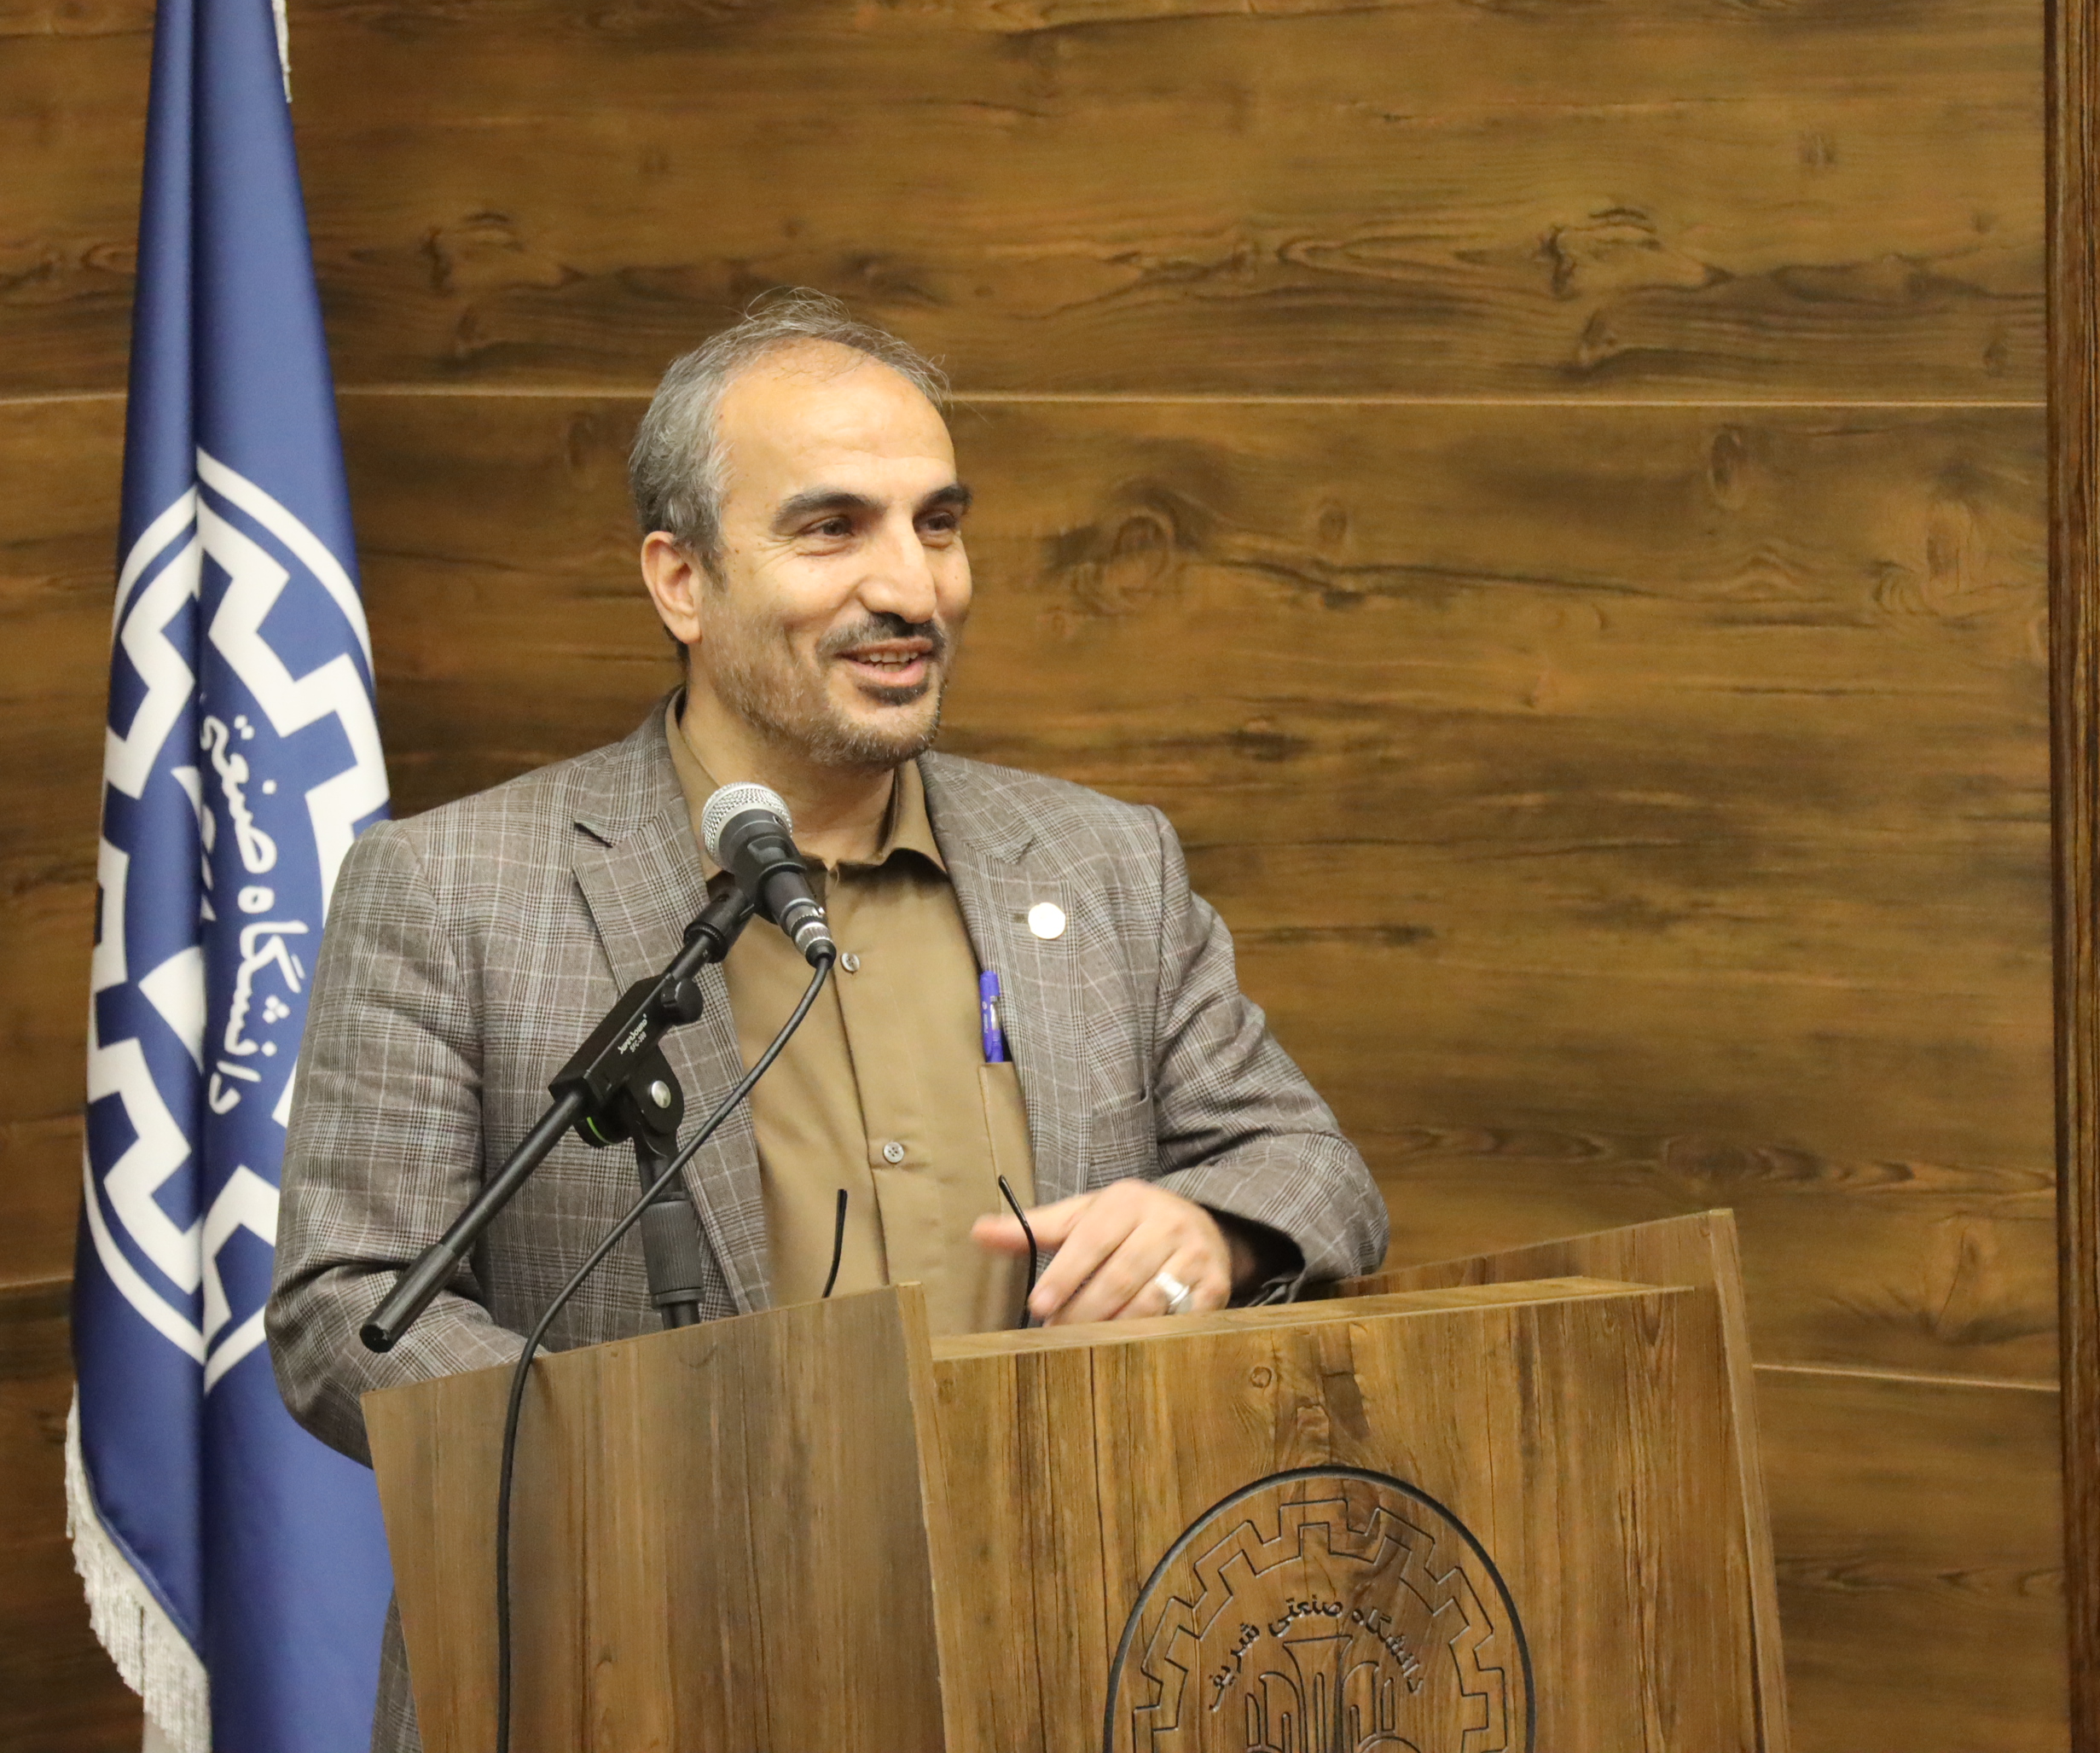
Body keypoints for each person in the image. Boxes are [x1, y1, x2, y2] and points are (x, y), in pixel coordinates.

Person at [266, 291, 1388, 1752]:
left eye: (939, 525)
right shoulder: (455, 887)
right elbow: (347, 1309)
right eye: (832, 529)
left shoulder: (1103, 862)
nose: (911, 587)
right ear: (682, 579)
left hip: (1064, 1657)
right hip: (630, 1671)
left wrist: (1214, 1235)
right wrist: (677, 1478)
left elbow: (1313, 1173)